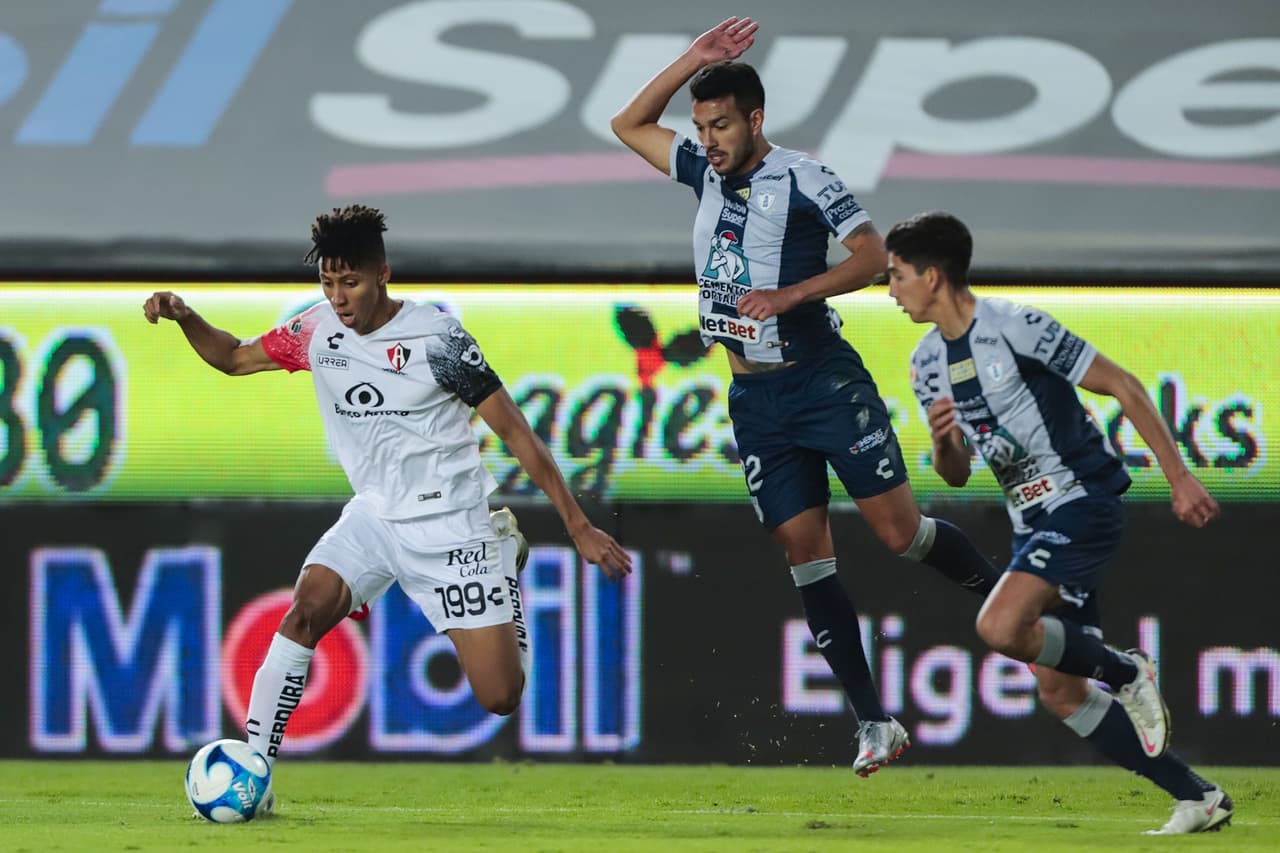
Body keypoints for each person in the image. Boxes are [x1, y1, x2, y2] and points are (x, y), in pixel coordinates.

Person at [611, 17, 1002, 776]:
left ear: (756, 120)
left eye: (721, 124)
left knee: (899, 533)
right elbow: (627, 123)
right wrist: (694, 58)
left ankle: (1018, 601)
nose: (709, 139)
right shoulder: (700, 171)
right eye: (701, 125)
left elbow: (871, 251)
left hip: (821, 379)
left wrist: (793, 293)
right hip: (755, 401)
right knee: (803, 552)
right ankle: (875, 720)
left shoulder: (802, 175)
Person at [145, 204, 632, 809]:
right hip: (376, 515)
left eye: (350, 282)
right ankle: (256, 769)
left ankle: (503, 559)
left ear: (383, 274)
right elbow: (235, 357)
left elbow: (516, 433)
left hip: (453, 524)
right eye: (328, 281)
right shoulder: (316, 331)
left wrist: (578, 525)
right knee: (306, 607)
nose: (339, 296)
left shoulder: (439, 339)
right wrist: (187, 316)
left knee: (500, 696)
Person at [888, 210, 1232, 835]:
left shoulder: (1015, 326)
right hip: (1031, 518)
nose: (890, 289)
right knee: (1060, 690)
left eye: (897, 275)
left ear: (933, 276)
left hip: (1081, 499)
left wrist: (1179, 476)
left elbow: (1123, 386)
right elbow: (958, 474)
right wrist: (943, 444)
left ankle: (1127, 670)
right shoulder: (924, 364)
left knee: (998, 624)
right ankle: (1198, 797)